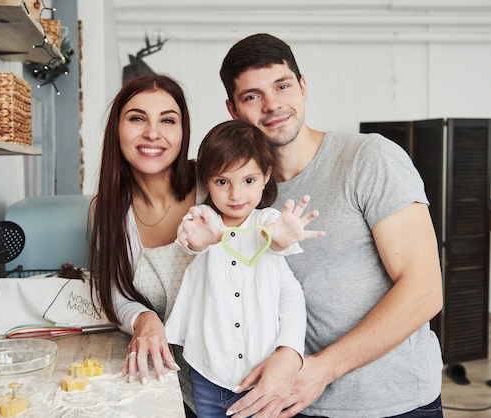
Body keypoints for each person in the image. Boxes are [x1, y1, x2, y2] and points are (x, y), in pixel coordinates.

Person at [218, 34, 444, 418]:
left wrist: (323, 369)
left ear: (303, 87)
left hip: (393, 403)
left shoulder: (369, 158)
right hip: (297, 403)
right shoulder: (241, 191)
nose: (273, 105)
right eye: (252, 96)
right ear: (233, 110)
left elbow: (424, 291)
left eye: (282, 86)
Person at [164, 119, 324, 418]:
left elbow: (276, 244)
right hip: (209, 373)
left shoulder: (266, 223)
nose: (236, 195)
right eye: (223, 182)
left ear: (266, 175)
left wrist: (282, 237)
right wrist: (201, 242)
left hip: (264, 374)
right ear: (207, 181)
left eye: (248, 181)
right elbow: (191, 242)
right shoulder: (203, 219)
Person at [88, 74, 200, 415]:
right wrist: (144, 319)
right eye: (137, 118)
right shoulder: (106, 210)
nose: (153, 133)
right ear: (116, 129)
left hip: (236, 380)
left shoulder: (216, 185)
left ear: (183, 133)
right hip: (162, 380)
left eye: (168, 120)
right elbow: (113, 292)